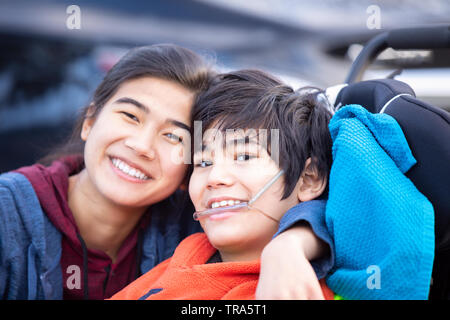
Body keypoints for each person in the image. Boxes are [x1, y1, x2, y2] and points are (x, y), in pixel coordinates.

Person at [0, 45, 332, 300]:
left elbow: (318, 199)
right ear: (90, 120)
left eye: (174, 136)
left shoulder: (196, 218)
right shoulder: (7, 214)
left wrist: (293, 243)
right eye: (130, 116)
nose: (143, 146)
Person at [110, 69, 335, 300]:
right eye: (204, 162)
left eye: (244, 157)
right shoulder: (190, 252)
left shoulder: (297, 290)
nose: (214, 177)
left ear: (308, 179)